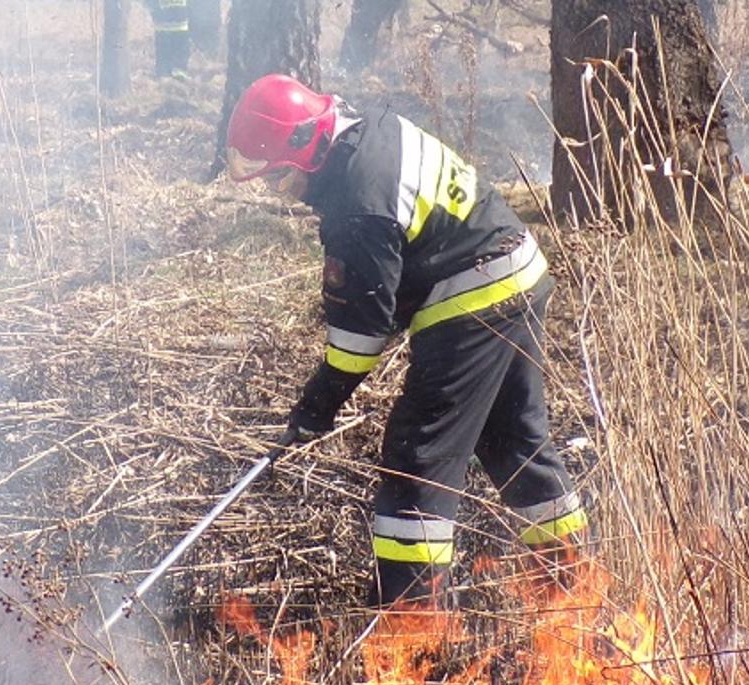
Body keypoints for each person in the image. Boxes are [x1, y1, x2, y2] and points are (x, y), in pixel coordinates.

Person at [224, 74, 589, 610]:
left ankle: (413, 622)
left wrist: (317, 406)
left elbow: (361, 335)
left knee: (416, 456)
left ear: (307, 143)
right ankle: (571, 588)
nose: (283, 191)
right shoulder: (368, 129)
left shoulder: (358, 203)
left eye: (279, 176)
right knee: (513, 440)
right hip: (518, 269)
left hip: (474, 297)